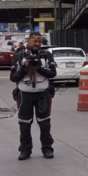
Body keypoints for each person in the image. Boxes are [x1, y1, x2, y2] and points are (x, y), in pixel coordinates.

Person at [10, 32, 57, 160]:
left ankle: (47, 148)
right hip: (24, 94)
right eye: (34, 41)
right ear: (28, 41)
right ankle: (25, 149)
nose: (37, 44)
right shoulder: (19, 55)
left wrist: (39, 68)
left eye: (39, 41)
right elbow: (13, 78)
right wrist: (24, 69)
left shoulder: (47, 55)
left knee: (45, 123)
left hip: (43, 94)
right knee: (24, 124)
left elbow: (53, 73)